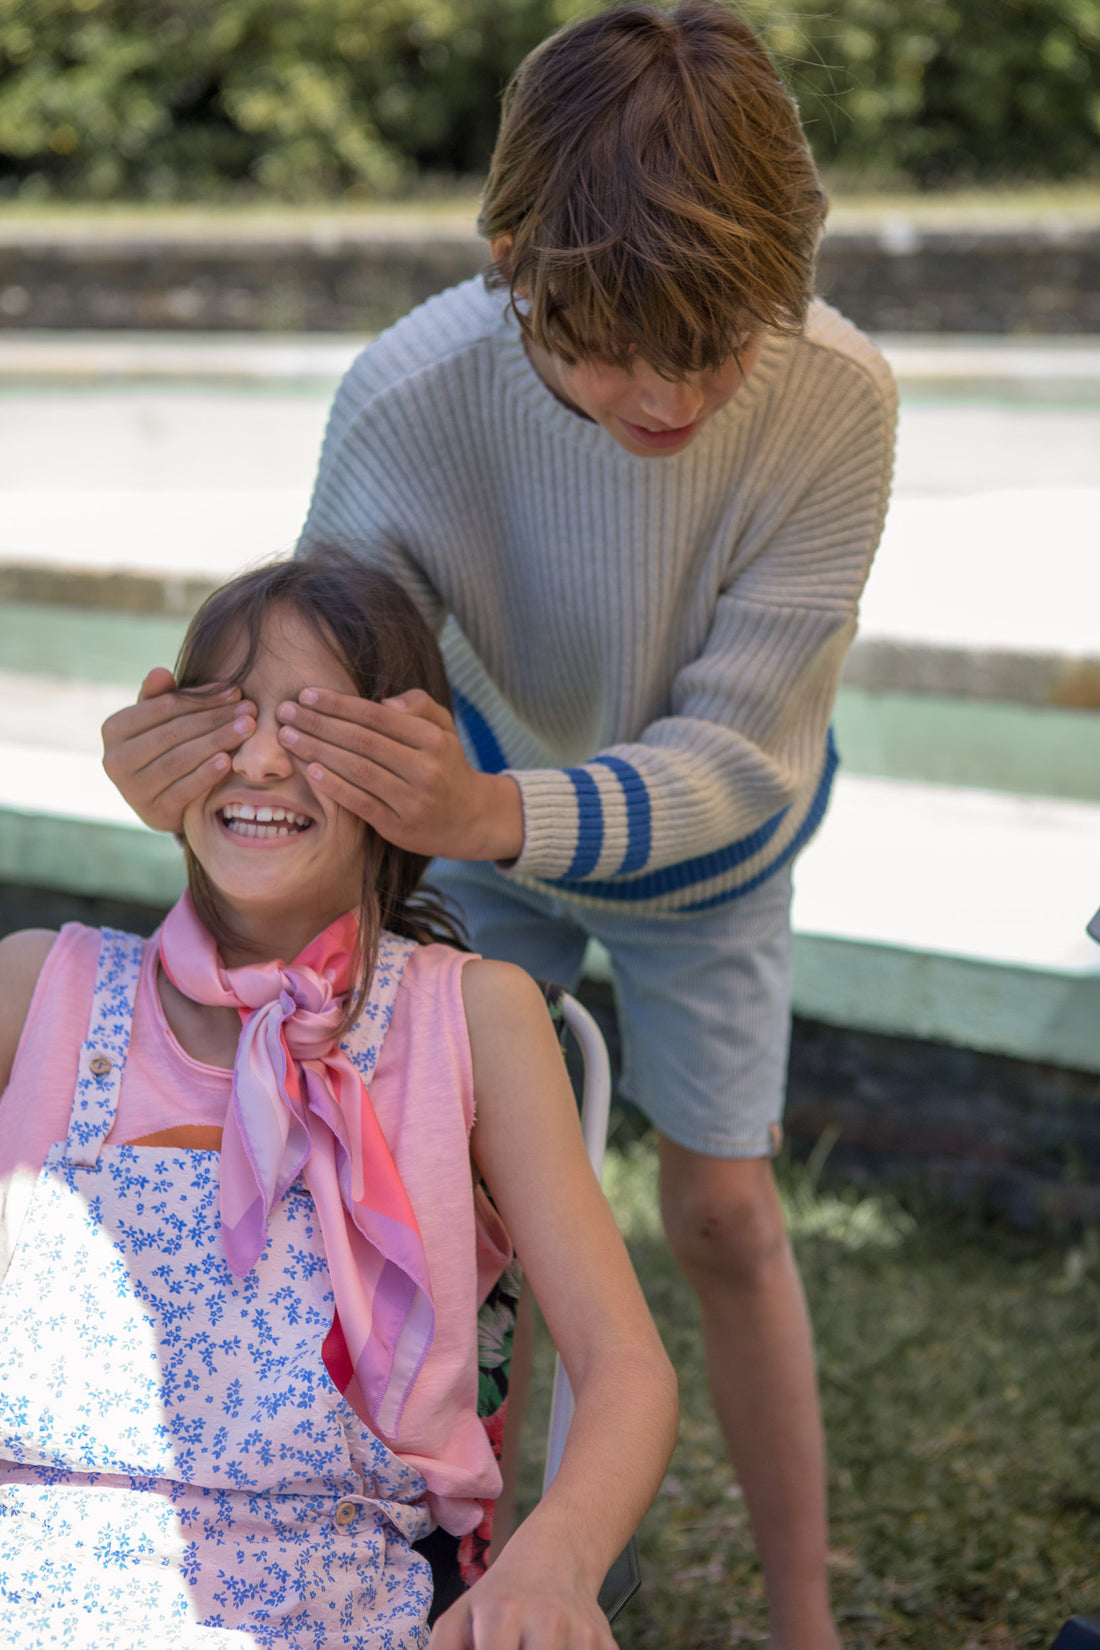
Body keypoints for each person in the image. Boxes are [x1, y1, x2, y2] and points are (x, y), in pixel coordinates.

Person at [100, 5, 897, 1644]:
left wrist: (498, 808)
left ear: (789, 277)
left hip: (705, 840)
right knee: (473, 1208)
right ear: (514, 263)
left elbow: (738, 756)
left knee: (728, 1211)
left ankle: (806, 1617)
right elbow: (316, 697)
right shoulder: (415, 395)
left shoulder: (837, 398)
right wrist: (207, 770)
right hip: (469, 808)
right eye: (606, 348)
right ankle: (492, 1564)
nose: (666, 394)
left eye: (716, 345)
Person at [0, 551, 677, 1649]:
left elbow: (624, 1367)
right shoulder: (42, 991)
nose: (261, 759)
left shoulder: (473, 1020)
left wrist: (550, 1559)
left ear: (404, 769)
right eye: (226, 718)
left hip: (327, 1595)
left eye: (316, 729)